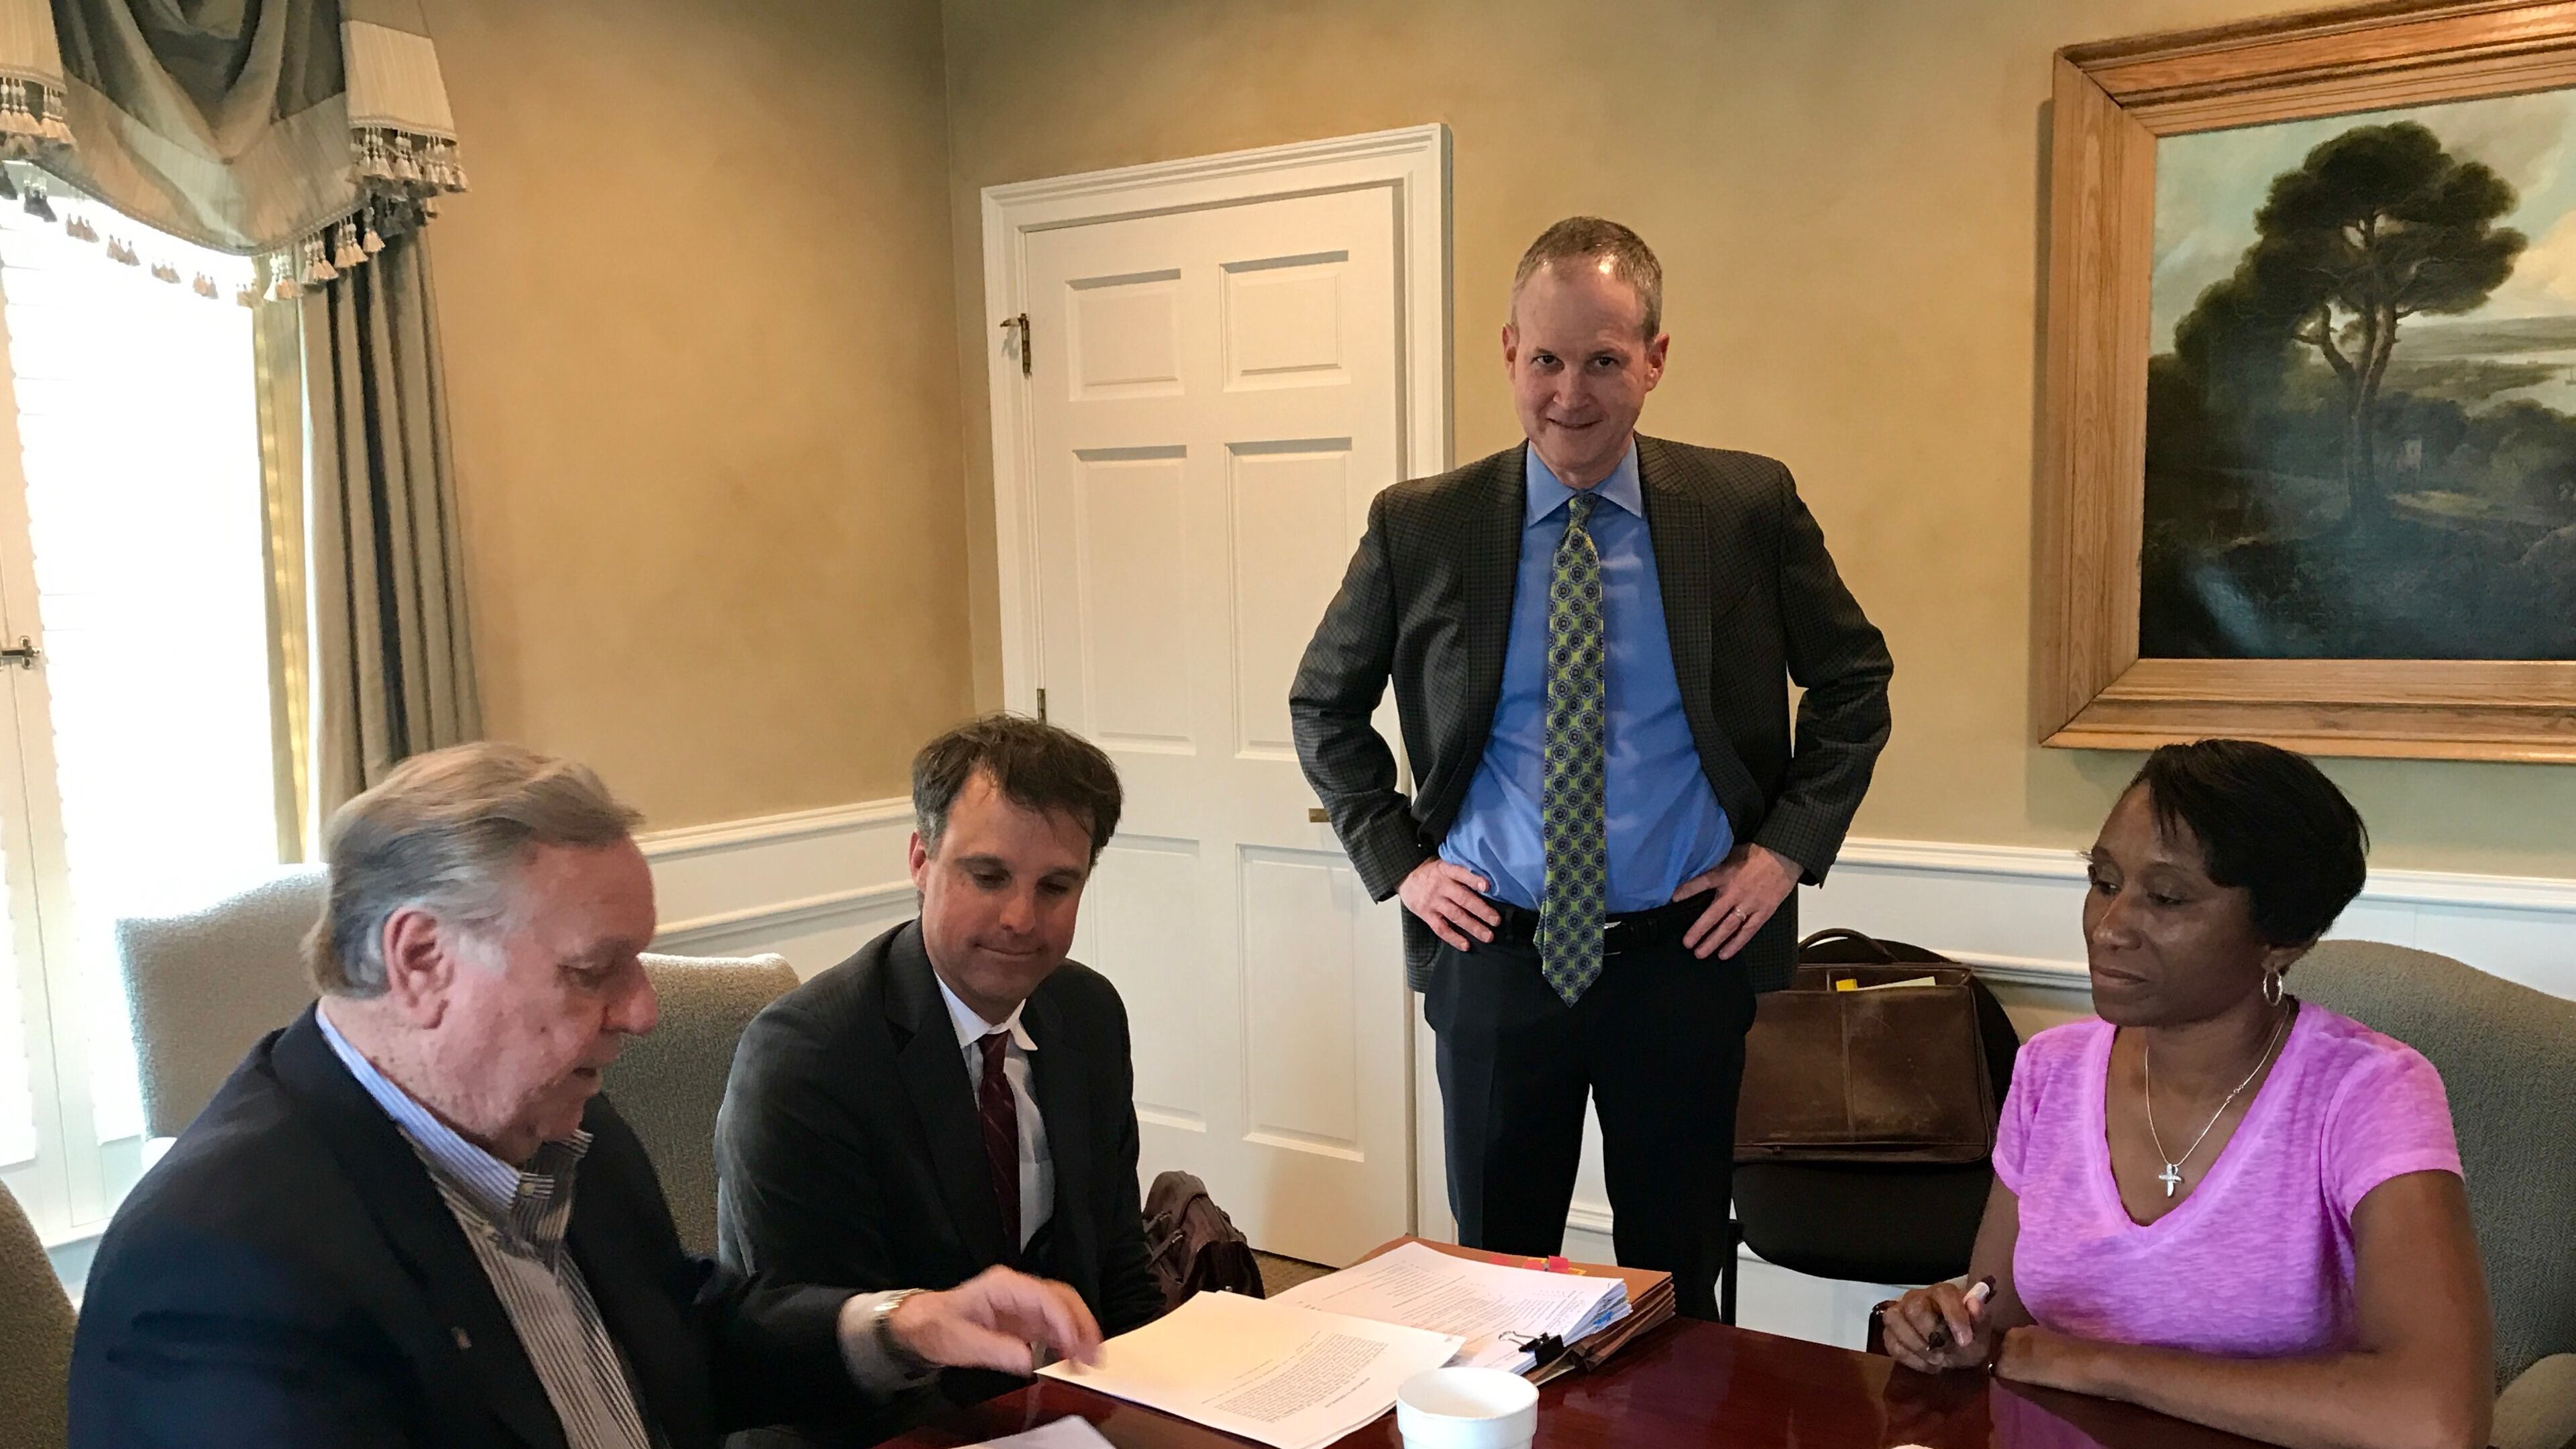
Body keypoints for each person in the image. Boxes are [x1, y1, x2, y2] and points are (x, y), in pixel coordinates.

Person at [69, 743, 1102, 1449]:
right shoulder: (222, 1266)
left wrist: (902, 1324)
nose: (642, 1011)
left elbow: (686, 1327)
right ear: (421, 959)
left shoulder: (559, 1123)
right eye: (592, 970)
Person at [1289, 215, 1892, 1318]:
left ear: (1655, 360)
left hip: (1686, 959)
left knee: (1677, 1273)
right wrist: (1404, 865)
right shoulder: (1423, 525)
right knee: (1496, 1284)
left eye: (1605, 360)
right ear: (1509, 351)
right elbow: (1322, 703)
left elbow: (1856, 683)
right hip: (1497, 956)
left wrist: (1781, 858)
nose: (1572, 393)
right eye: (1549, 359)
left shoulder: (1742, 508)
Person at [1882, 739, 2492, 1449]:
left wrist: (2102, 1365)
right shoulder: (2051, 1069)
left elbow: (2437, 1419)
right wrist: (1949, 1326)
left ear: (2282, 938)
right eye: (2104, 881)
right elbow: (2003, 1323)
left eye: (2166, 898)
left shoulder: (2369, 1092)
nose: (2109, 929)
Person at [716, 714, 1163, 1444]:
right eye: (988, 877)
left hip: (1050, 1417)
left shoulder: (1086, 1013)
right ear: (921, 861)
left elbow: (1119, 1268)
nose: (1021, 918)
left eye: (1056, 886)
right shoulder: (807, 1059)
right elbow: (819, 1359)